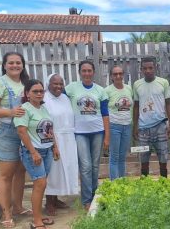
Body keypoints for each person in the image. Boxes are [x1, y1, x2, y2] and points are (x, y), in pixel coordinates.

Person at [0, 52, 29, 228]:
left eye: (18, 63)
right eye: (11, 63)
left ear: (23, 65)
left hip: (22, 132)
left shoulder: (25, 83)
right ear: (4, 65)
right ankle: (6, 212)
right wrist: (10, 112)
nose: (15, 65)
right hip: (4, 132)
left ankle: (18, 207)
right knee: (6, 174)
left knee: (20, 171)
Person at [14, 79, 60, 229]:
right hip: (33, 152)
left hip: (47, 150)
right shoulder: (24, 110)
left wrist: (55, 146)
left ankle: (39, 215)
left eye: (41, 91)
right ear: (27, 93)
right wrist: (33, 152)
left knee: (41, 184)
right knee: (40, 184)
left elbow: (49, 129)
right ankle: (36, 220)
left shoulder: (43, 108)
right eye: (35, 91)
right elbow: (21, 131)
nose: (39, 94)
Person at [65, 60, 110, 209]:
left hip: (97, 131)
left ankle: (94, 195)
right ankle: (86, 200)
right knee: (85, 166)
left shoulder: (100, 91)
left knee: (95, 166)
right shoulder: (71, 88)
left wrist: (107, 135)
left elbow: (105, 114)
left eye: (89, 71)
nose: (87, 73)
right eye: (84, 71)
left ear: (93, 72)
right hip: (79, 133)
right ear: (80, 72)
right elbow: (58, 101)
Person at [43, 74, 79, 215]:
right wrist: (53, 143)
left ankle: (56, 199)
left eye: (61, 84)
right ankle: (49, 202)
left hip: (68, 138)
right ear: (48, 84)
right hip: (54, 138)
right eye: (55, 84)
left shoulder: (65, 98)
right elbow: (46, 123)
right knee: (53, 171)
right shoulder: (45, 99)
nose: (58, 86)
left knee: (65, 169)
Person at [132, 57, 170, 177]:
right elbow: (136, 106)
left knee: (163, 157)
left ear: (155, 68)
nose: (148, 70)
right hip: (143, 128)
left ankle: (164, 183)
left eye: (150, 68)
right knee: (143, 158)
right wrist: (135, 126)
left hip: (160, 126)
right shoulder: (137, 84)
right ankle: (145, 184)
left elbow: (168, 103)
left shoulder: (163, 82)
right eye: (145, 68)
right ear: (141, 70)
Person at [105, 65, 133, 180]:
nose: (118, 76)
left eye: (120, 73)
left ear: (123, 75)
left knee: (122, 157)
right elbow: (104, 112)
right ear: (111, 76)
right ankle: (114, 184)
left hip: (127, 126)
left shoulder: (128, 88)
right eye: (115, 74)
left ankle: (122, 182)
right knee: (114, 157)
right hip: (114, 126)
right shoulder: (107, 91)